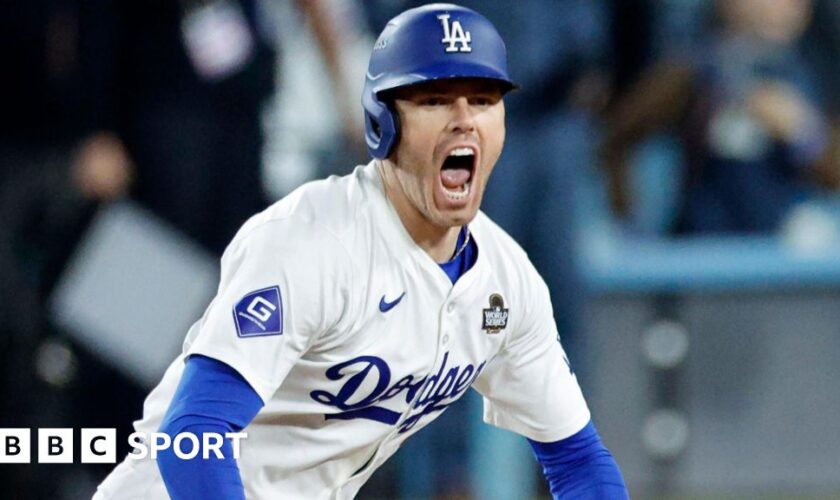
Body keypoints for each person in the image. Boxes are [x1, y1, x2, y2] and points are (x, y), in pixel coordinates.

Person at [94, 4, 628, 499]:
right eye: (435, 100)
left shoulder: (506, 279)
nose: (464, 119)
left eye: (484, 100)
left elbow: (579, 460)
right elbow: (192, 436)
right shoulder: (313, 241)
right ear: (383, 123)